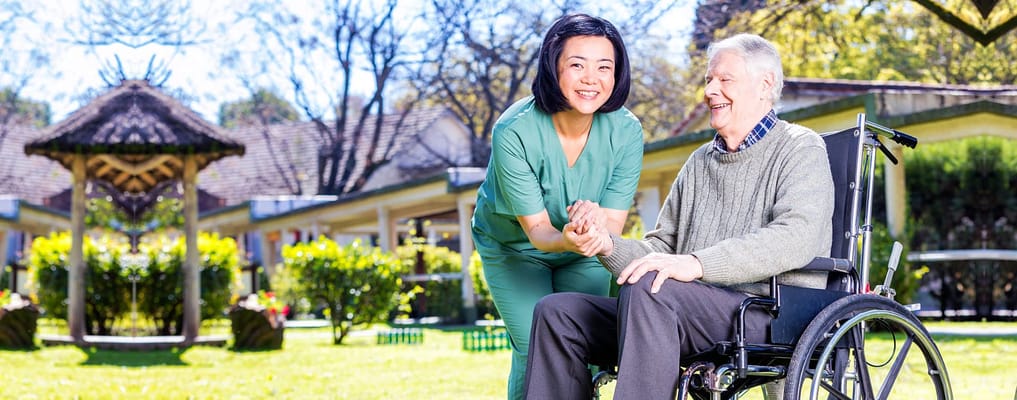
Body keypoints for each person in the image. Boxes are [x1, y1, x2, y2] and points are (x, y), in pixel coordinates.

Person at [523, 33, 835, 399]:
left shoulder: (800, 147)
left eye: (724, 80)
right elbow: (661, 249)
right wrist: (606, 244)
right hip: (685, 308)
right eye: (708, 80)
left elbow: (795, 237)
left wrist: (696, 264)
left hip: (768, 312)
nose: (710, 91)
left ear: (765, 84)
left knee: (652, 287)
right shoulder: (700, 161)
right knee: (558, 312)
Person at [470, 13, 643, 400]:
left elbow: (613, 224)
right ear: (553, 66)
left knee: (584, 344)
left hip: (583, 251)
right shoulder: (514, 131)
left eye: (604, 67)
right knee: (536, 346)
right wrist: (570, 237)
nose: (591, 78)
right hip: (514, 248)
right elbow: (539, 232)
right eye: (577, 65)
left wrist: (594, 227)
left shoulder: (627, 131)